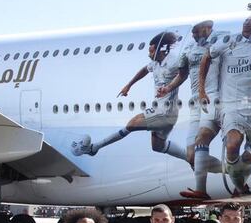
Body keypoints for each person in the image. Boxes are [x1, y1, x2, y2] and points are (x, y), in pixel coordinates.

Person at [185, 12, 251, 198]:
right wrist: (201, 90)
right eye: (246, 20)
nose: (246, 23)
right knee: (231, 144)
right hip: (230, 106)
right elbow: (207, 56)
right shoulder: (228, 40)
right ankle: (238, 187)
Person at [71, 31, 187, 162]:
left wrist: (168, 88)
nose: (149, 54)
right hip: (162, 109)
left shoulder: (173, 62)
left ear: (161, 50)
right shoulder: (155, 62)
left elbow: (183, 73)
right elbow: (144, 70)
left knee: (132, 124)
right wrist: (129, 85)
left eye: (151, 51)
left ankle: (94, 148)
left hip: (165, 112)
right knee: (157, 146)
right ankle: (192, 159)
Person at [157, 21, 224, 177]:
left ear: (208, 29)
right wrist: (168, 88)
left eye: (196, 32)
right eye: (192, 32)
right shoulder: (189, 48)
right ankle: (234, 172)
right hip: (197, 103)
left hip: (217, 99)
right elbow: (182, 74)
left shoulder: (221, 42)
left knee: (225, 142)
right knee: (191, 156)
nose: (193, 35)